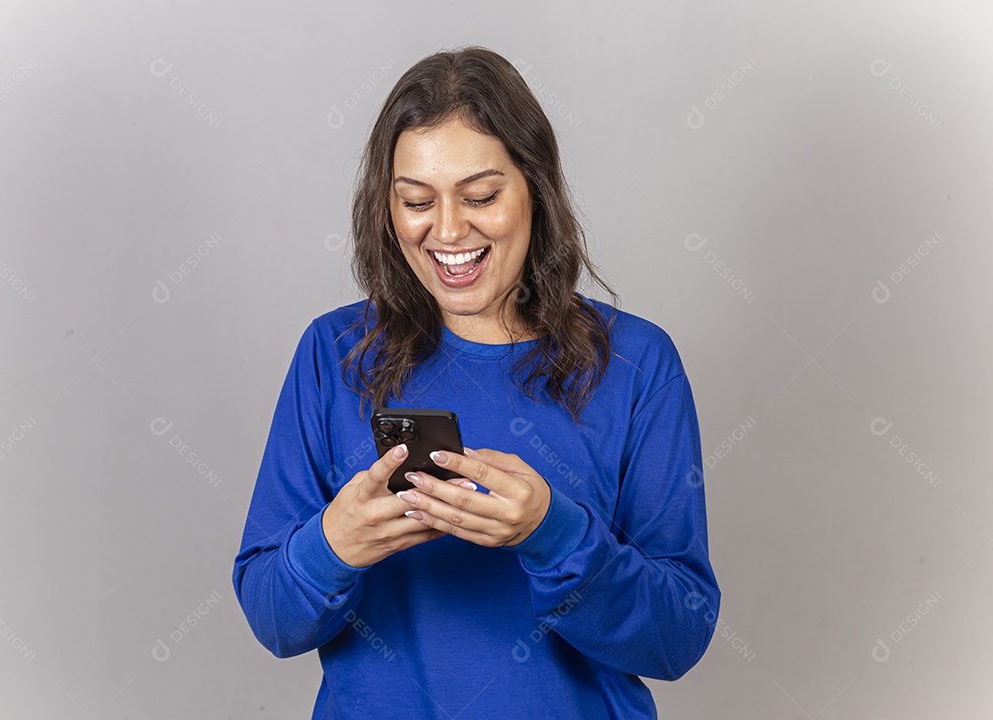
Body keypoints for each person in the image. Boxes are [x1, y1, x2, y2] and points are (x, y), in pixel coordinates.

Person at [232, 45, 721, 719]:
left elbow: (677, 640)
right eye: (416, 201)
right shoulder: (334, 354)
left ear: (536, 190)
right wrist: (331, 546)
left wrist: (555, 534)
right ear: (387, 207)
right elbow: (273, 617)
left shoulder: (637, 364)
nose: (450, 230)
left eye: (482, 196)